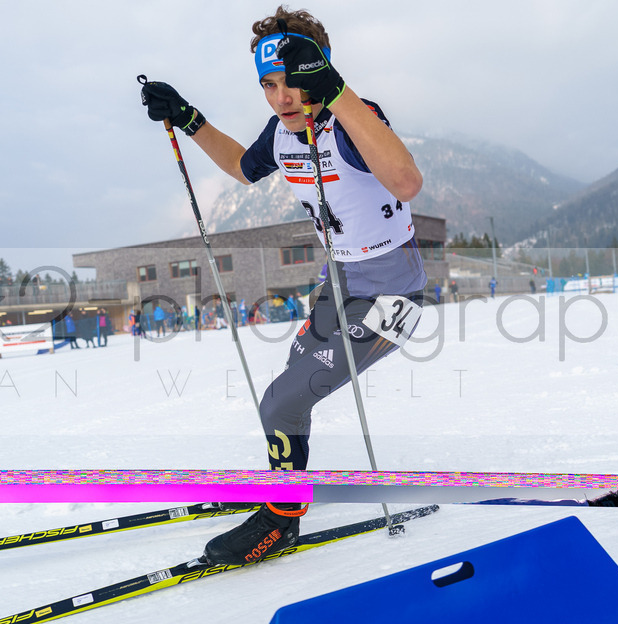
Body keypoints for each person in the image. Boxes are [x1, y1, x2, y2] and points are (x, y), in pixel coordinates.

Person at [141, 6, 425, 566]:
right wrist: (189, 117)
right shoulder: (281, 133)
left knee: (283, 399)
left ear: (319, 70)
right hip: (340, 281)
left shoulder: (354, 119)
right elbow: (243, 169)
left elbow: (406, 181)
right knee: (290, 388)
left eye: (295, 79)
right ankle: (283, 484)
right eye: (269, 85)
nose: (282, 97)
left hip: (392, 294)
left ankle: (282, 517)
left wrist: (338, 90)